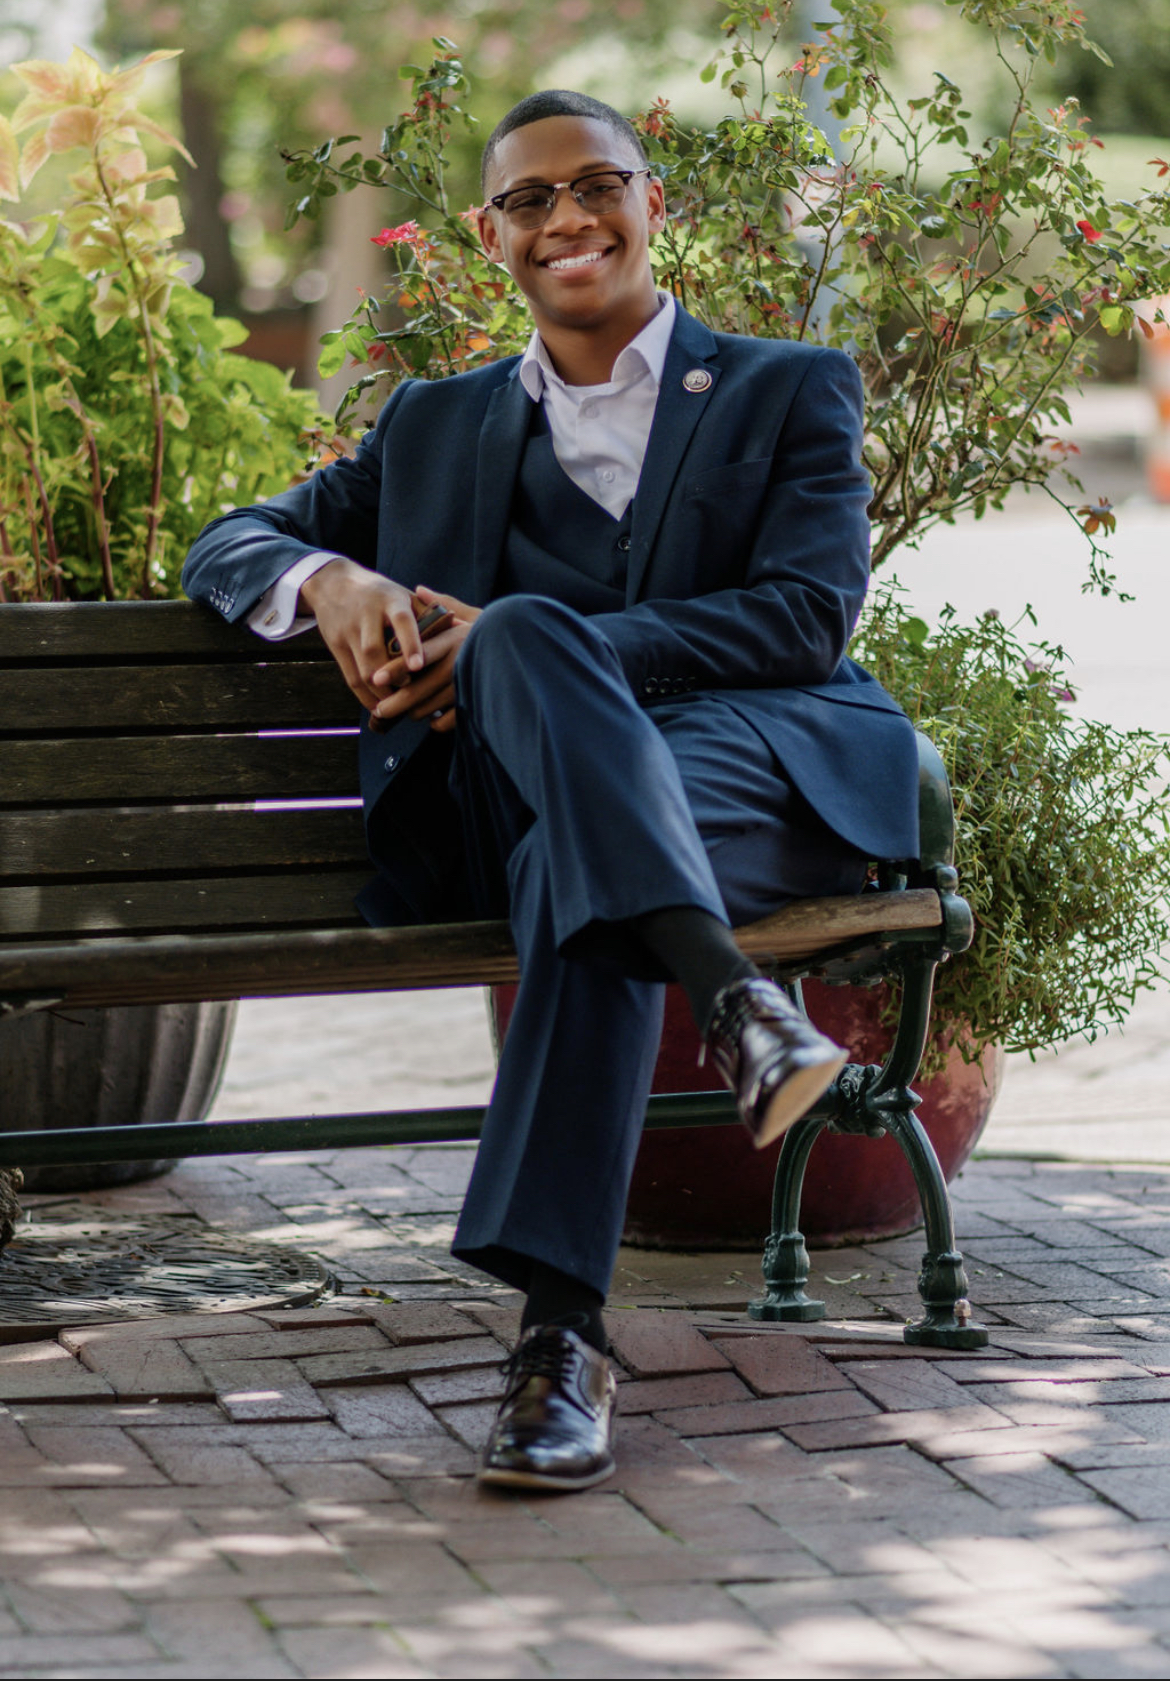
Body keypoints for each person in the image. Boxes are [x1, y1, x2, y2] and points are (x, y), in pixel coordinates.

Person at [182, 89, 919, 1493]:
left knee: (544, 739)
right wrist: (325, 578)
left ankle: (559, 1342)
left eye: (597, 186)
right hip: (512, 801)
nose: (566, 218)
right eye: (529, 199)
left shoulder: (786, 385)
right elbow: (226, 540)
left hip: (746, 775)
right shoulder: (434, 421)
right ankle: (734, 1001)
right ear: (490, 235)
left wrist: (556, 644)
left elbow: (804, 616)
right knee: (543, 736)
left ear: (653, 204)